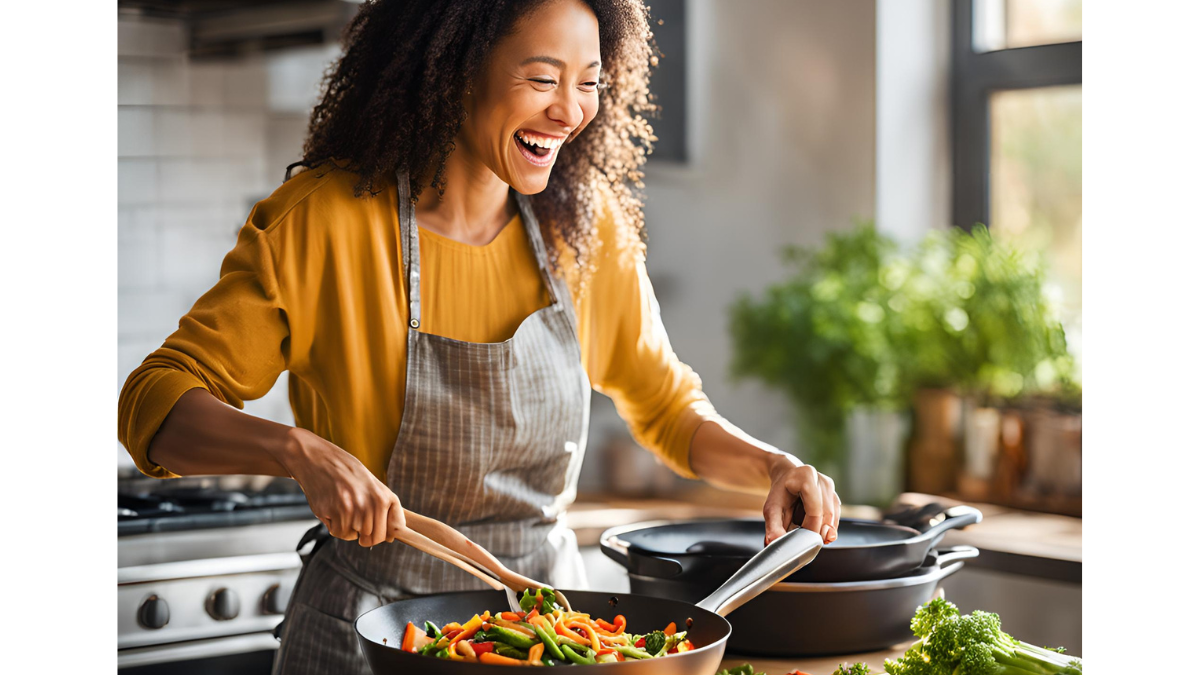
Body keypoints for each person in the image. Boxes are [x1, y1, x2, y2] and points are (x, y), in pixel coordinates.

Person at [117, 0, 841, 672]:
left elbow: (666, 406)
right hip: (367, 637)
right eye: (541, 77)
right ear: (458, 66)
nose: (569, 110)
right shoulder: (325, 222)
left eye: (588, 82)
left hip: (550, 634)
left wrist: (773, 466)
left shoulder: (583, 232)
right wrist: (296, 450)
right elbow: (153, 402)